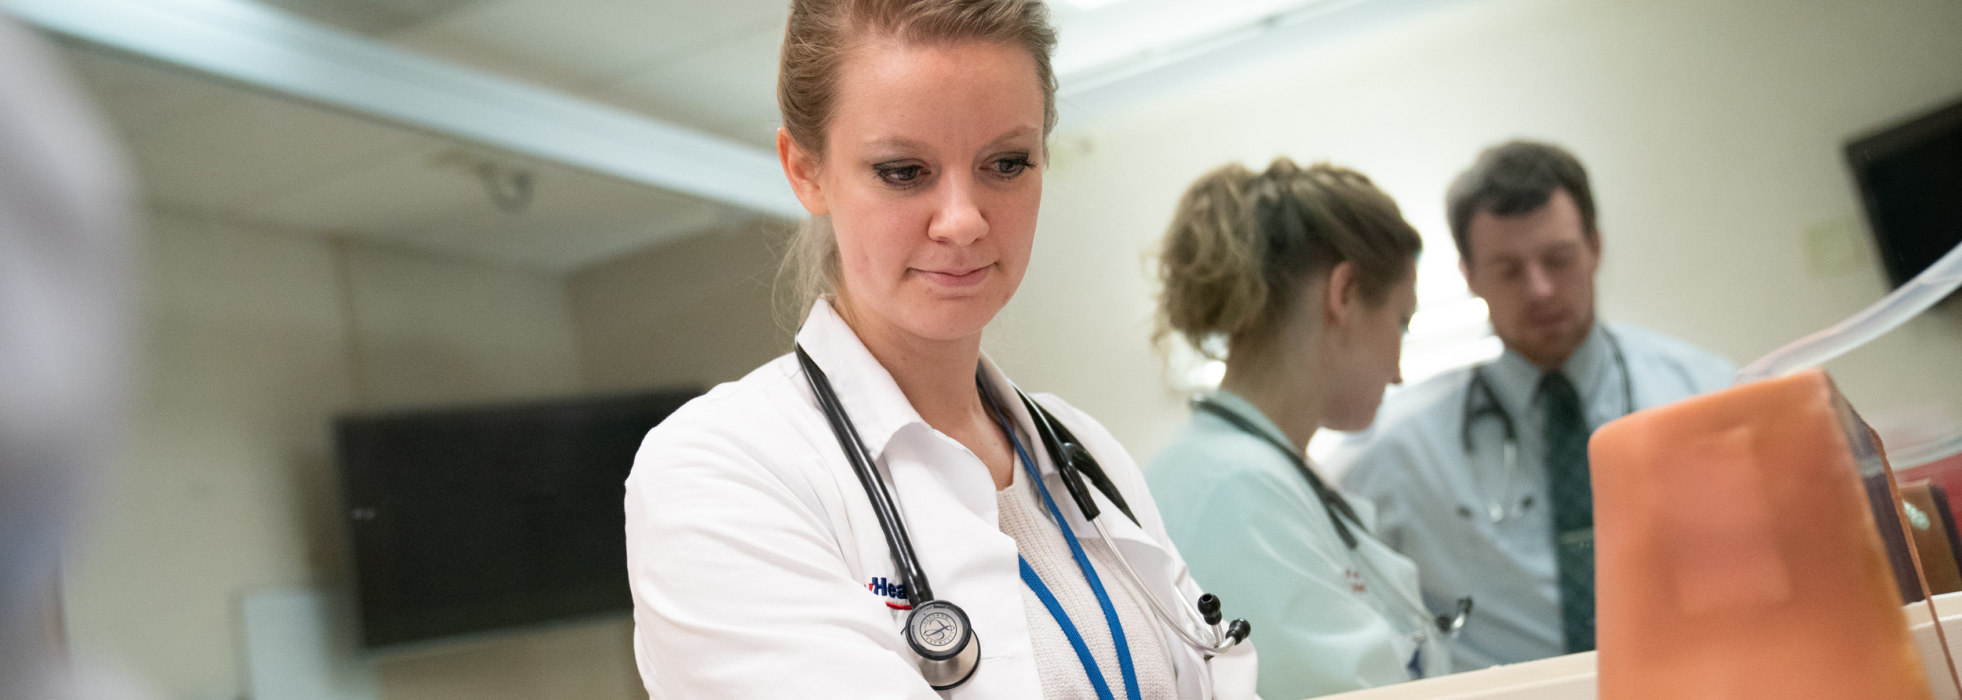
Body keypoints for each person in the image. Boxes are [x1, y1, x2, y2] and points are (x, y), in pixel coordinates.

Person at [623, 1, 1258, 698]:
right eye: (903, 170)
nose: (963, 220)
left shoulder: (1087, 452)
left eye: (1007, 162)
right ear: (805, 171)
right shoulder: (721, 471)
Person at [1331, 141, 1736, 669]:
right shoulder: (1394, 450)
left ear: (1595, 247)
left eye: (1558, 259)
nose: (1540, 289)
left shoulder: (1707, 396)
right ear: (1470, 276)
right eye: (1509, 270)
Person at [1146, 159, 1448, 699]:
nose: (1399, 370)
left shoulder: (1260, 474)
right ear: (1346, 293)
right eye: (1400, 322)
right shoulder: (1231, 490)